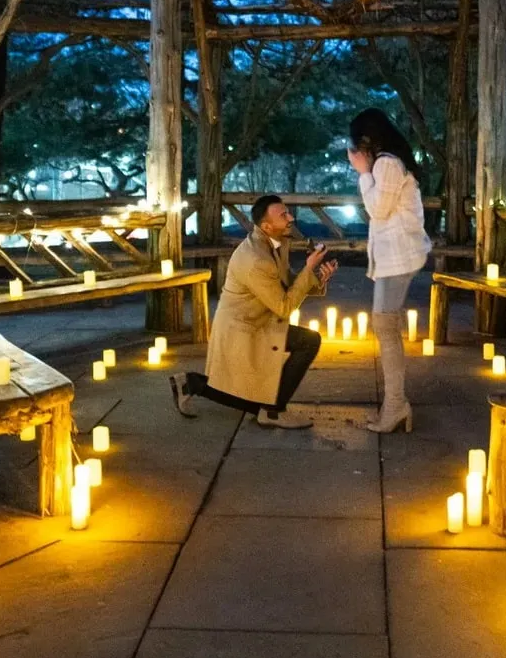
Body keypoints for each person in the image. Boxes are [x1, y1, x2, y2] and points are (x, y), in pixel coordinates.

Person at [170, 194, 338, 429]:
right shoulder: (256, 258)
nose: (291, 218)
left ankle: (192, 384)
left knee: (301, 346)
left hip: (258, 322)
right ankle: (272, 411)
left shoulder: (276, 243)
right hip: (243, 328)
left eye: (288, 212)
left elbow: (287, 282)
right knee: (305, 344)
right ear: (266, 226)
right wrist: (308, 268)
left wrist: (317, 277)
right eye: (284, 215)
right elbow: (284, 307)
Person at [348, 108, 431, 434]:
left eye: (356, 144)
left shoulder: (385, 164)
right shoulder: (390, 162)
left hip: (399, 258)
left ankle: (396, 405)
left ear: (366, 141)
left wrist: (363, 172)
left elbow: (377, 209)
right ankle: (394, 404)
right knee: (386, 327)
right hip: (395, 257)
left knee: (385, 328)